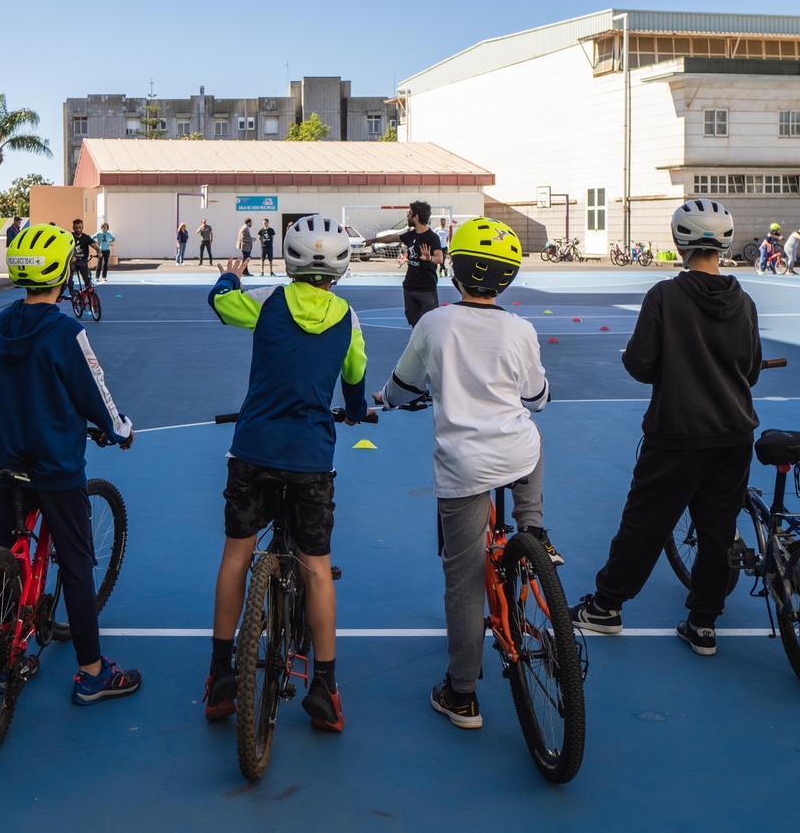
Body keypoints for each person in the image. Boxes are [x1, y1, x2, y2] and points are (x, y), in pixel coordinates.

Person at [376, 217, 559, 729]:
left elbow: (401, 386)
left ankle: (462, 694)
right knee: (530, 440)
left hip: (464, 465)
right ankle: (535, 528)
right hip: (515, 452)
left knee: (463, 581)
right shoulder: (520, 329)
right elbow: (537, 397)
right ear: (508, 278)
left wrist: (388, 401)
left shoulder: (434, 323)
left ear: (452, 269)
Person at [569, 199, 762, 658]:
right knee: (718, 529)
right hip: (734, 434)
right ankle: (703, 624)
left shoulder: (665, 295)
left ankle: (607, 606)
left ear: (680, 241)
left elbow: (640, 363)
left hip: (677, 433)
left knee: (646, 522)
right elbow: (750, 370)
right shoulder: (744, 301)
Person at [202, 215, 370, 733]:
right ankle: (324, 685)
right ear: (339, 268)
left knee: (237, 556)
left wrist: (230, 277)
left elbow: (222, 304)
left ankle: (220, 677)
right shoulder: (347, 318)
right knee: (317, 567)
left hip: (253, 448)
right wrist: (358, 409)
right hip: (309, 459)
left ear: (292, 262)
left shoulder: (270, 303)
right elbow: (356, 381)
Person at [0, 223, 141, 705]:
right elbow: (93, 392)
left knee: (7, 561)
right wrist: (119, 429)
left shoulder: (1, 325)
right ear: (62, 272)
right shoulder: (65, 330)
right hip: (55, 466)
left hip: (9, 461)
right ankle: (92, 671)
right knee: (76, 565)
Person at [364, 201, 445, 327]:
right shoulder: (410, 235)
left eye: (410, 213)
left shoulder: (432, 237)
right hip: (410, 288)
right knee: (414, 323)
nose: (407, 216)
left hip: (426, 290)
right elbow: (392, 238)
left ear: (416, 217)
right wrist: (373, 240)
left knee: (430, 325)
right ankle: (417, 346)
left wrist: (429, 258)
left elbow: (439, 258)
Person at [68, 218, 95, 297]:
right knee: (69, 272)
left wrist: (99, 251)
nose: (78, 229)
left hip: (82, 260)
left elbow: (94, 245)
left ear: (82, 227)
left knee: (86, 275)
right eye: (76, 228)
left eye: (80, 227)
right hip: (73, 261)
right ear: (73, 228)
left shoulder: (86, 237)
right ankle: (71, 290)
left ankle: (88, 288)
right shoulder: (69, 236)